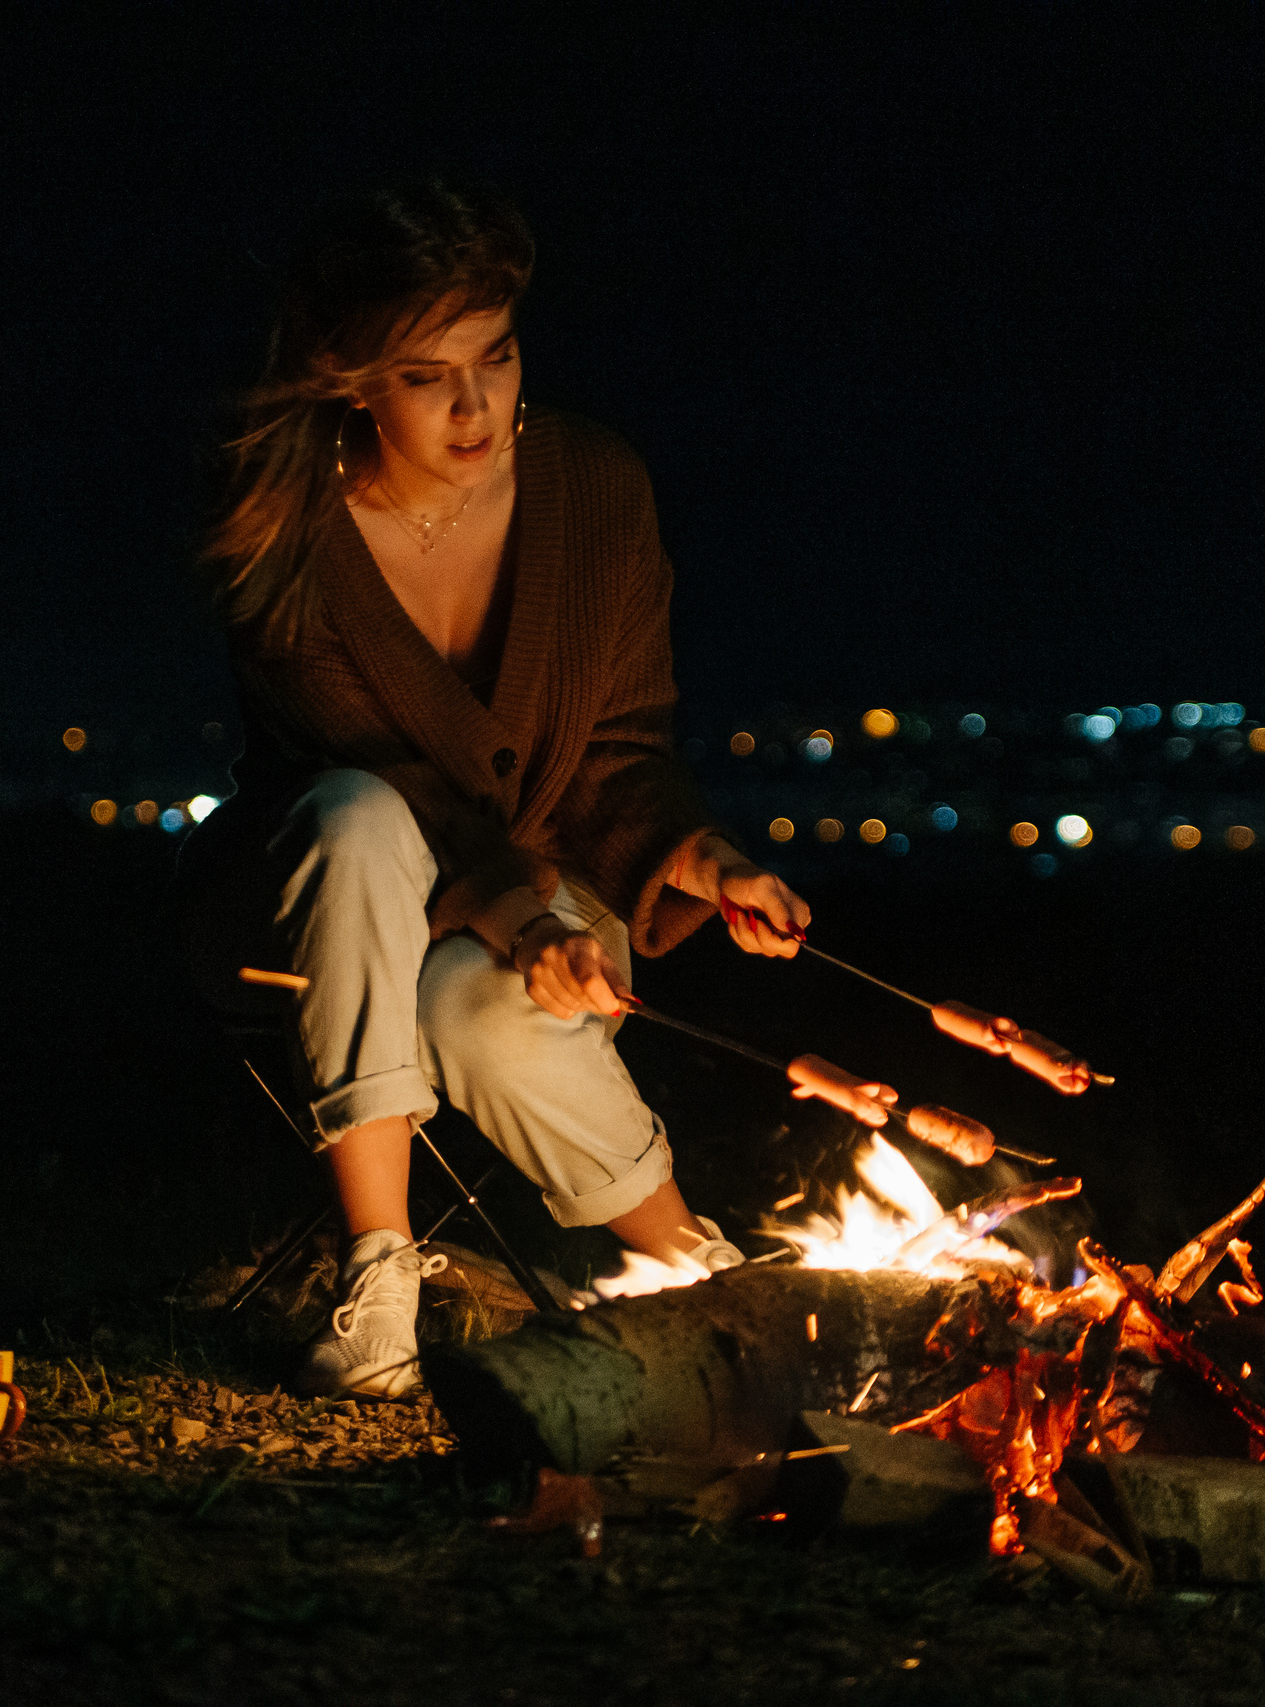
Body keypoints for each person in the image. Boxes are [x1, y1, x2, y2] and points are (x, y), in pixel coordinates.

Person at [180, 181, 811, 1400]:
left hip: (520, 891)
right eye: (427, 375)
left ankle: (707, 1281)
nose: (476, 407)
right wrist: (528, 918)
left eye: (499, 357)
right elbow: (381, 775)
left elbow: (622, 742)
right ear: (351, 374)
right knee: (360, 822)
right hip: (316, 894)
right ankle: (381, 1283)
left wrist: (697, 857)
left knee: (479, 1009)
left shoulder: (595, 488)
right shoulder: (285, 521)